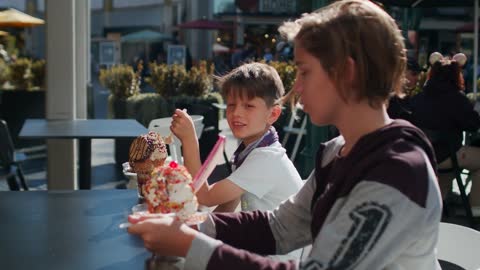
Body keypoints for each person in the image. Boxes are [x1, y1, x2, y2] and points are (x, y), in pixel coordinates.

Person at [128, 1, 442, 269]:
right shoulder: (337, 151)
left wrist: (188, 244)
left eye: (305, 72)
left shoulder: (397, 172)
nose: (297, 87)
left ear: (347, 73)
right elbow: (279, 227)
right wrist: (189, 225)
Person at [169, 62, 304, 261]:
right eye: (231, 104)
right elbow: (225, 209)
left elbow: (205, 196)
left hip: (275, 261)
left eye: (248, 106)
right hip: (262, 251)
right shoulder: (251, 151)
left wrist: (189, 140)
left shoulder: (266, 160)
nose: (236, 113)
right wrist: (197, 233)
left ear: (273, 114)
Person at [410, 52, 480, 216]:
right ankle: (476, 208)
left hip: (422, 156)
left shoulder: (418, 98)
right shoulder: (457, 99)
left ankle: (437, 207)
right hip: (448, 157)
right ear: (457, 76)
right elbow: (473, 125)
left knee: (447, 161)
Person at [387, 57, 421, 121]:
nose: (418, 78)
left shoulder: (407, 96)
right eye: (414, 74)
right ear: (402, 73)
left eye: (419, 75)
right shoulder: (392, 98)